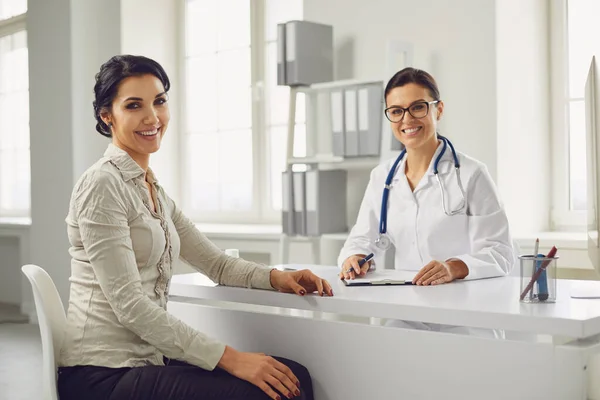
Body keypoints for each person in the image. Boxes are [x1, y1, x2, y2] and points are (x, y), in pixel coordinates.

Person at [57, 55, 332, 400]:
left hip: (148, 360)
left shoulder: (150, 188)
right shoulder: (102, 185)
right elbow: (129, 304)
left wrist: (278, 277)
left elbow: (216, 263)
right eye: (134, 105)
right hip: (101, 375)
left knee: (292, 378)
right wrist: (232, 359)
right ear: (107, 116)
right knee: (264, 392)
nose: (152, 117)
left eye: (159, 101)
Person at [337, 68, 514, 335]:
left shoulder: (471, 174)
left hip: (467, 318)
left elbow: (500, 252)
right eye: (396, 111)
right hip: (406, 316)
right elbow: (361, 238)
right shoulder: (382, 177)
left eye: (418, 107)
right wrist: (354, 257)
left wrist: (452, 267)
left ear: (438, 110)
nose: (407, 119)